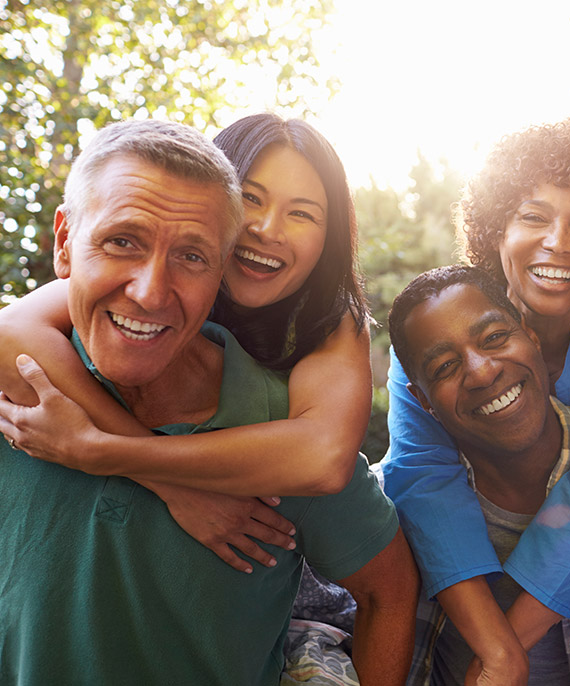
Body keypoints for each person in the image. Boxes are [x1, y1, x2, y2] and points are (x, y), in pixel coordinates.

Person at [0, 119, 418, 685]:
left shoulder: (319, 345)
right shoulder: (41, 374)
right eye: (251, 200)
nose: (267, 230)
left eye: (303, 213)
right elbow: (10, 331)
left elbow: (327, 466)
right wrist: (167, 481)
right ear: (66, 243)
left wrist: (101, 452)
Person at [378, 120, 570, 676]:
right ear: (496, 229)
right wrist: (493, 649)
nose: (558, 242)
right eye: (534, 216)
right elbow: (422, 478)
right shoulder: (431, 329)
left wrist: (502, 656)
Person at [388, 265, 570, 684]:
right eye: (444, 367)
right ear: (422, 401)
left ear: (531, 336)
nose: (481, 371)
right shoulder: (389, 515)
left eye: (494, 338)